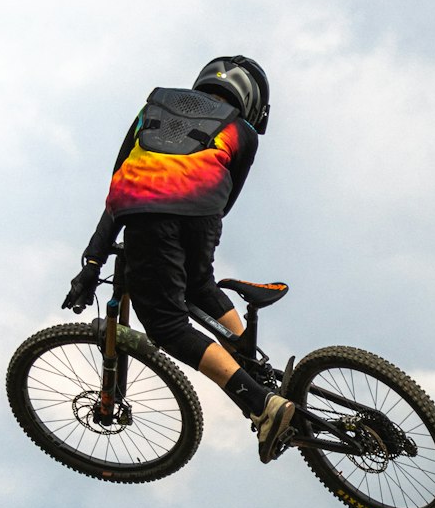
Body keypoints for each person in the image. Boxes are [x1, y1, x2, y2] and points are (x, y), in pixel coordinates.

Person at [61, 56, 294, 463]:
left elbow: (122, 180)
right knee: (199, 283)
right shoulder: (243, 132)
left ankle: (260, 403)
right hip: (201, 213)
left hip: (144, 209)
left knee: (168, 325)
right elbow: (224, 202)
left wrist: (93, 264)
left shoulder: (153, 106)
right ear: (254, 103)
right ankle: (250, 362)